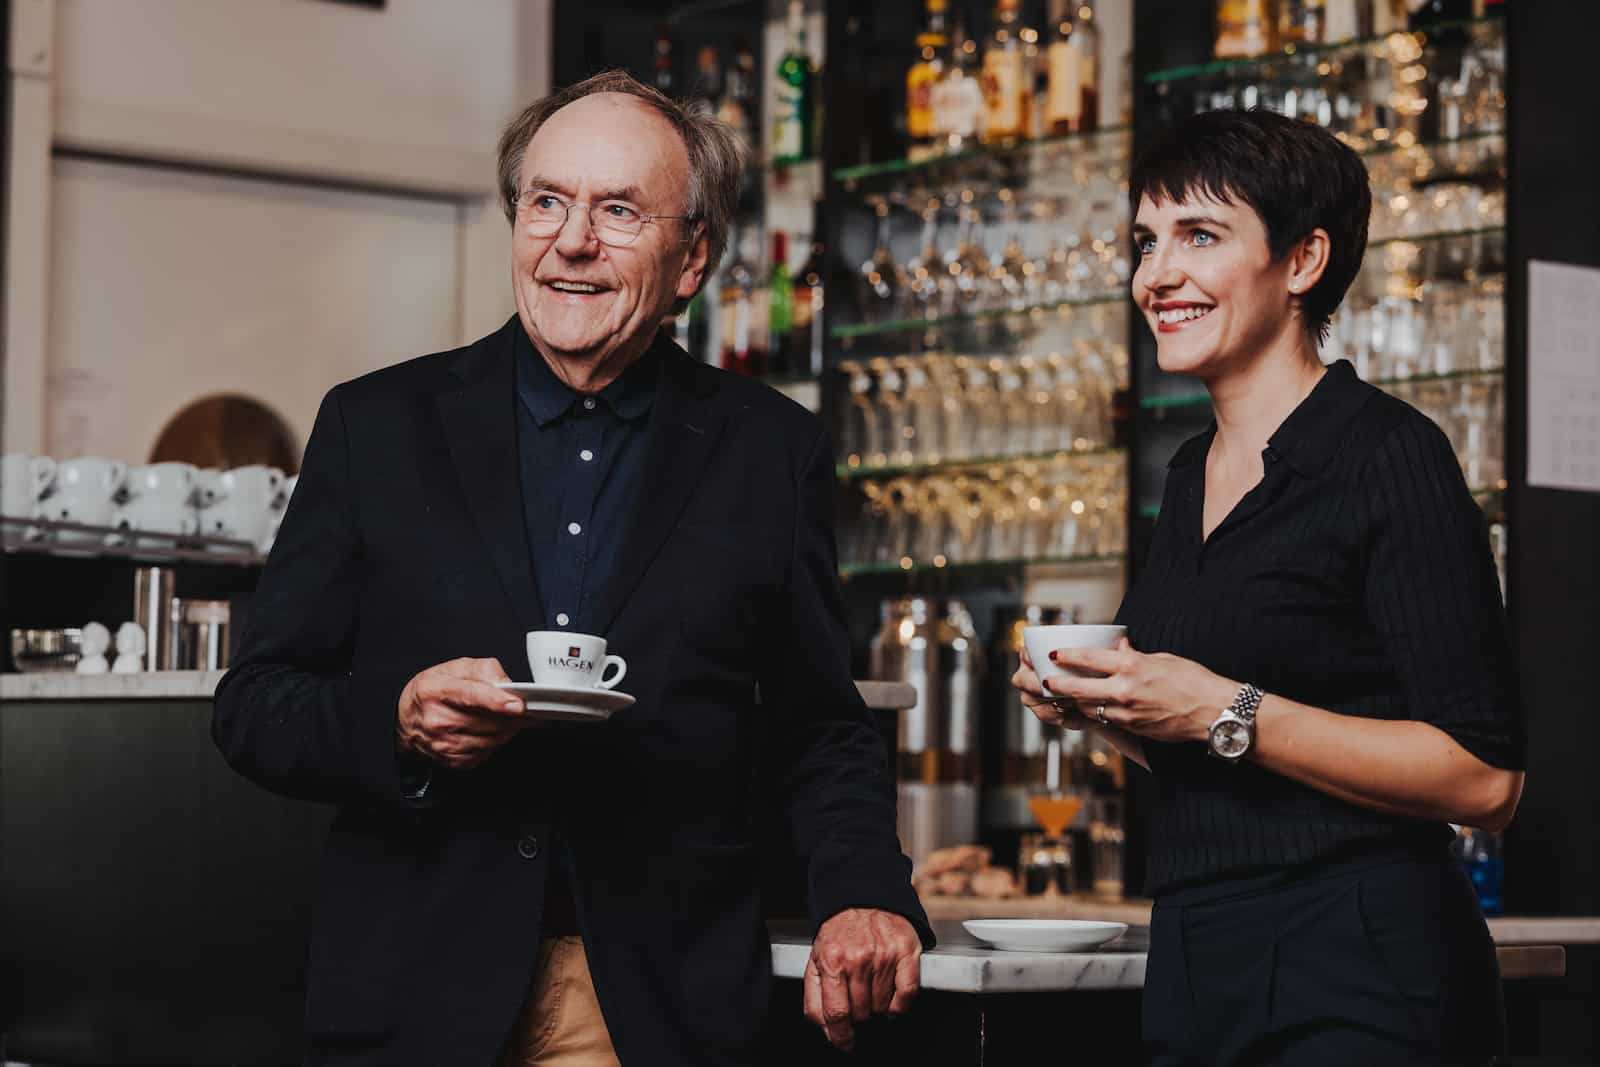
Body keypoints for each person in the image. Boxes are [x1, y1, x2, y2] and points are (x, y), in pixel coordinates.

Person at [213, 70, 930, 1067]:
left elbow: (819, 725)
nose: (572, 240)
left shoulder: (772, 450)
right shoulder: (374, 426)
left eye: (619, 210)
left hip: (646, 1002)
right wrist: (399, 723)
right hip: (413, 995)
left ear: (693, 258)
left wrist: (862, 893)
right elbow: (255, 705)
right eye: (546, 201)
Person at [1013, 108, 1525, 1066]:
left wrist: (1219, 705)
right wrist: (1105, 707)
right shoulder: (1186, 473)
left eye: (1200, 236)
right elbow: (1215, 750)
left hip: (1359, 958)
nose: (1156, 275)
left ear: (1303, 261)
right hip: (1198, 954)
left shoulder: (1388, 453)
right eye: (1146, 242)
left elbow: (1485, 778)